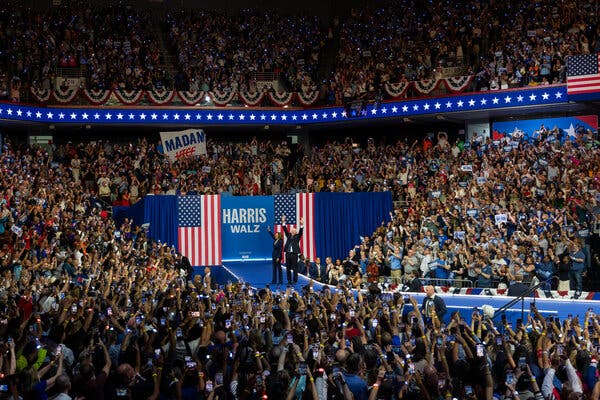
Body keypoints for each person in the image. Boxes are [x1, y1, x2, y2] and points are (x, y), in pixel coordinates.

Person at [281, 215, 303, 285]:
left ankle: (295, 280)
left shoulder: (297, 236)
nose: (293, 232)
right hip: (288, 254)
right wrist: (283, 221)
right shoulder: (289, 235)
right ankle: (289, 280)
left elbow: (301, 231)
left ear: (296, 232)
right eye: (292, 231)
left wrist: (302, 224)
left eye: (294, 231)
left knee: (295, 268)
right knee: (288, 268)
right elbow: (284, 229)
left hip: (294, 254)